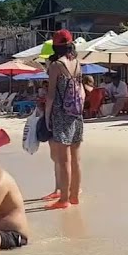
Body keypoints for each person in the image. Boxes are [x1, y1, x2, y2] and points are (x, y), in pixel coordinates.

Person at [44, 29, 84, 210]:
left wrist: (47, 115)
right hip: (76, 113)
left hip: (61, 114)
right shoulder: (77, 63)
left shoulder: (56, 65)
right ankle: (74, 196)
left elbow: (51, 94)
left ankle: (64, 199)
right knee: (76, 159)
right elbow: (81, 89)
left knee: (63, 160)